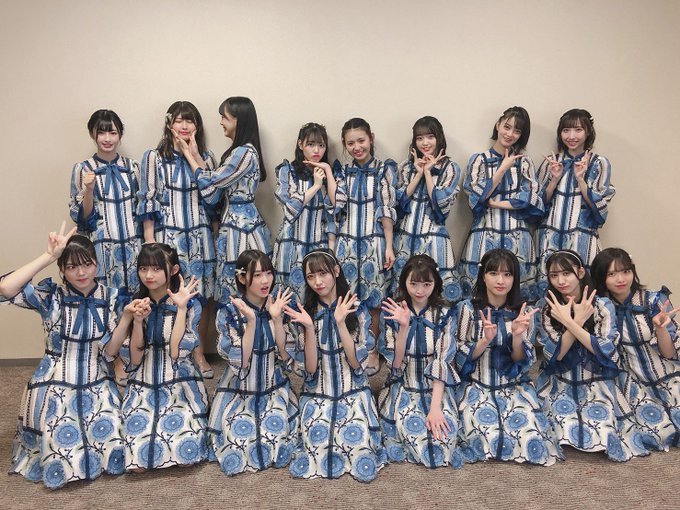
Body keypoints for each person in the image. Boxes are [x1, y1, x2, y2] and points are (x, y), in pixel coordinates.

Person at [0, 225, 124, 488]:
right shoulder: (52, 297)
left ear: (96, 264)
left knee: (113, 437)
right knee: (60, 441)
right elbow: (6, 288)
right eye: (71, 267)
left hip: (98, 381)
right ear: (61, 269)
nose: (81, 273)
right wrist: (48, 256)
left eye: (87, 264)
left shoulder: (111, 297)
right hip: (54, 380)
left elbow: (112, 351)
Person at [536, 250, 650, 460]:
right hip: (561, 379)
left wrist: (569, 322)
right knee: (560, 426)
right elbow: (556, 355)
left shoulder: (602, 304)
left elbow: (604, 350)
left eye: (567, 273)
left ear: (580, 273)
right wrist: (576, 321)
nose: (561, 281)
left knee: (604, 430)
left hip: (597, 378)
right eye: (554, 275)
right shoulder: (547, 308)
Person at [284, 249, 386, 481]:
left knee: (356, 440)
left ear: (336, 271)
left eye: (323, 274)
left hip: (353, 389)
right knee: (317, 440)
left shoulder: (357, 309)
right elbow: (310, 370)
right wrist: (309, 328)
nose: (317, 282)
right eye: (311, 277)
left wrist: (341, 323)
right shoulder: (305, 314)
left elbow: (356, 363)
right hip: (318, 392)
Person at [108, 243, 210, 471]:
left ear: (173, 270)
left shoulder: (189, 303)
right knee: (136, 444)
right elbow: (134, 360)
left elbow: (176, 353)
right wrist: (136, 321)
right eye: (143, 268)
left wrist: (181, 309)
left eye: (156, 269)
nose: (148, 275)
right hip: (143, 379)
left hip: (179, 380)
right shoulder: (133, 303)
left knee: (186, 445)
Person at [455, 249, 561, 465]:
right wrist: (484, 341)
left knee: (530, 435)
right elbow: (460, 360)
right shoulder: (466, 309)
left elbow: (522, 362)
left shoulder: (524, 312)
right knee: (485, 433)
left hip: (514, 387)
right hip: (477, 386)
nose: (500, 281)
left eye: (507, 274)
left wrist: (517, 337)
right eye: (493, 273)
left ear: (515, 278)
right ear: (483, 276)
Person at [137, 100, 216, 377]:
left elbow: (213, 197)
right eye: (179, 120)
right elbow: (148, 199)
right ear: (169, 123)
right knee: (169, 294)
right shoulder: (153, 157)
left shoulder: (207, 156)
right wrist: (149, 241)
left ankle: (199, 353)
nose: (184, 125)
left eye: (190, 120)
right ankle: (168, 352)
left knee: (201, 296)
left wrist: (194, 155)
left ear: (197, 125)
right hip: (168, 237)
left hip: (200, 235)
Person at [208, 250, 298, 474]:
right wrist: (250, 322)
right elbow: (241, 362)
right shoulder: (230, 311)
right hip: (240, 390)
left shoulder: (279, 305)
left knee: (275, 436)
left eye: (268, 273)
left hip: (273, 388)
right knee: (239, 440)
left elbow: (286, 356)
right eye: (257, 275)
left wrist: (276, 318)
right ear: (241, 278)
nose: (265, 281)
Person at [178, 96, 272, 306]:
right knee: (236, 282)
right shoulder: (237, 152)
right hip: (232, 224)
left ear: (238, 120)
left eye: (225, 117)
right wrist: (196, 155)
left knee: (244, 283)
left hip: (242, 229)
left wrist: (188, 155)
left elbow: (212, 180)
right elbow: (213, 191)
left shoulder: (244, 153)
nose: (221, 122)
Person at [378, 254, 463, 468]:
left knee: (443, 439)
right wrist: (403, 327)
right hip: (404, 385)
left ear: (435, 284)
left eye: (427, 284)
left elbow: (442, 361)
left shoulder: (445, 314)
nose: (420, 290)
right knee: (416, 438)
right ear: (404, 283)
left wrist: (435, 408)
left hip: (436, 388)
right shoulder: (392, 312)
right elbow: (395, 365)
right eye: (413, 283)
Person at [591, 248, 680, 450]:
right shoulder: (601, 309)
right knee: (656, 433)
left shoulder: (653, 301)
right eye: (611, 274)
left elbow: (668, 353)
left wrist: (660, 329)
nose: (621, 279)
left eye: (626, 271)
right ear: (601, 277)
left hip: (666, 372)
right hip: (633, 381)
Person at [458, 107, 543, 301]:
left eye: (517, 131)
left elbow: (530, 199)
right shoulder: (478, 160)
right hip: (484, 233)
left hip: (518, 237)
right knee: (480, 294)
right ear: (498, 125)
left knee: (516, 295)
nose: (510, 134)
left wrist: (496, 204)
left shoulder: (524, 163)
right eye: (507, 127)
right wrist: (502, 169)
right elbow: (476, 197)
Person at [333, 117, 397, 372]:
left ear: (371, 138)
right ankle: (350, 347)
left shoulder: (384, 170)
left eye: (361, 140)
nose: (356, 147)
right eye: (350, 143)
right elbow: (335, 209)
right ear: (344, 144)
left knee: (374, 300)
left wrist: (389, 246)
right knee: (347, 298)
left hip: (374, 242)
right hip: (346, 243)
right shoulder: (341, 171)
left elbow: (387, 210)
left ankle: (372, 351)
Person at [535, 109, 615, 292]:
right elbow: (538, 205)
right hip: (550, 235)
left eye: (578, 130)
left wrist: (581, 179)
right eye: (566, 130)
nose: (571, 136)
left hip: (582, 236)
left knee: (583, 286)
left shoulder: (598, 163)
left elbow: (600, 208)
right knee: (550, 287)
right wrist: (554, 179)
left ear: (588, 132)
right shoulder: (551, 161)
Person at [69, 109, 141, 294]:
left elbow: (141, 209)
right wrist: (89, 189)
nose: (107, 138)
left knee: (139, 300)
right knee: (106, 300)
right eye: (101, 132)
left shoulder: (133, 167)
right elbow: (83, 220)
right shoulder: (83, 169)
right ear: (92, 134)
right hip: (101, 248)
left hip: (134, 246)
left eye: (113, 133)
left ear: (120, 135)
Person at [392, 116, 462, 303]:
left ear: (439, 138)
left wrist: (429, 173)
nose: (425, 142)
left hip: (434, 240)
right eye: (420, 138)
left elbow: (441, 207)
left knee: (435, 296)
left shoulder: (450, 168)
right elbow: (399, 203)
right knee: (405, 295)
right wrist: (418, 174)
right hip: (405, 238)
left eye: (430, 137)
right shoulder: (405, 167)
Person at [272, 122, 344, 299]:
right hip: (291, 243)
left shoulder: (332, 173)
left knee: (316, 295)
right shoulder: (288, 171)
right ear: (300, 144)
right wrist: (316, 186)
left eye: (321, 145)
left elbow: (337, 205)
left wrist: (327, 172)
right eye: (311, 144)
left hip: (318, 244)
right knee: (288, 295)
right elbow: (290, 208)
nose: (316, 150)